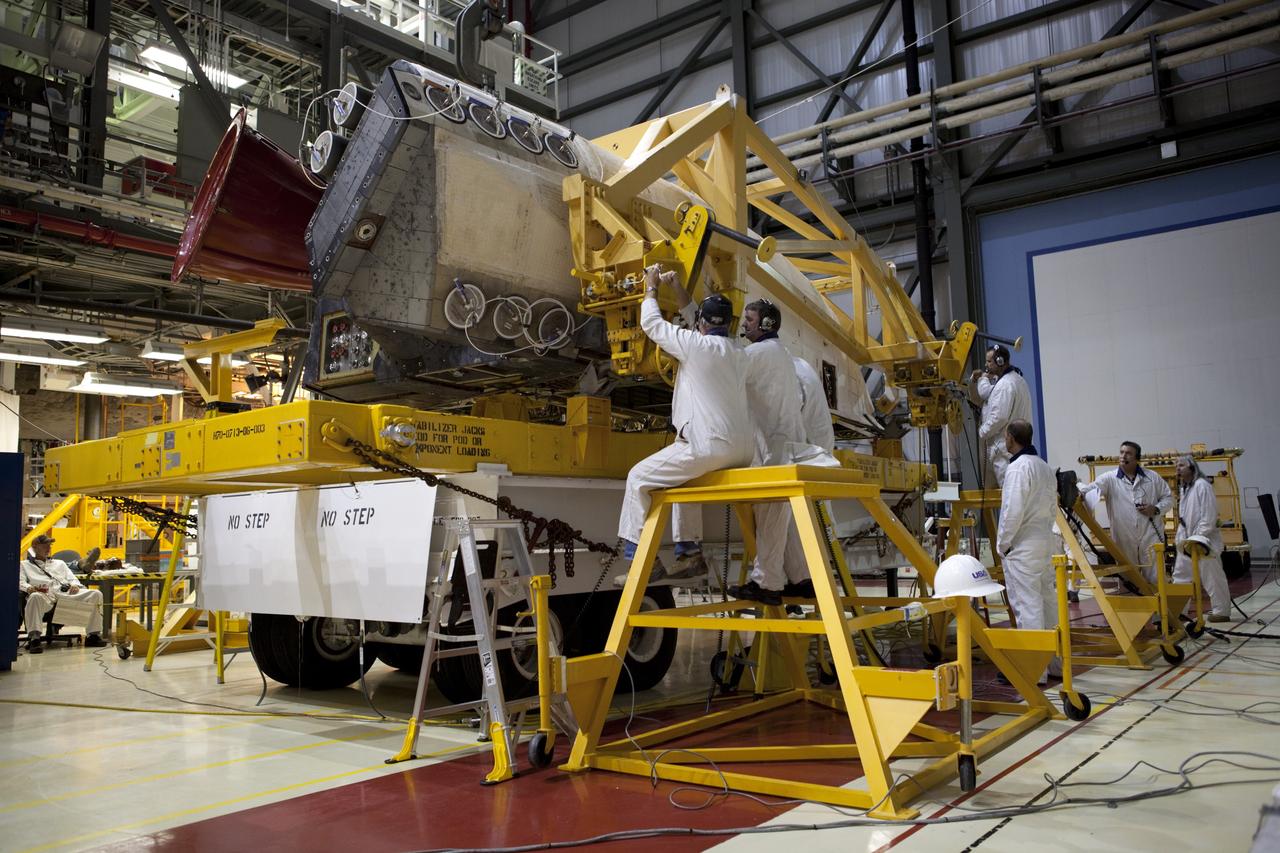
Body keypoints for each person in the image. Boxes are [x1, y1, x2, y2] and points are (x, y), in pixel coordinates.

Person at [614, 265, 754, 584]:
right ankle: (690, 553)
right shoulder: (737, 352)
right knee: (683, 480)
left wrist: (650, 287)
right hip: (742, 450)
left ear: (703, 324)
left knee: (638, 478)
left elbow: (651, 323)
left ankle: (641, 562)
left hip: (709, 447)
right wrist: (677, 287)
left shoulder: (695, 345)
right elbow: (698, 322)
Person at [726, 299, 806, 606]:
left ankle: (767, 584)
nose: (744, 323)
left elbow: (723, 373)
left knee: (770, 517)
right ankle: (801, 577)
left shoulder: (756, 354)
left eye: (749, 319)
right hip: (787, 444)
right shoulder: (782, 354)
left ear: (766, 324)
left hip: (774, 450)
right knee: (781, 518)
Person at [996, 421, 1061, 682]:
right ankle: (1055, 663)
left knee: (1028, 605)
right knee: (1048, 602)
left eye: (1005, 437)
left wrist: (1003, 544)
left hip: (1023, 544)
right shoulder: (1044, 467)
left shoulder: (1017, 468)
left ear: (1011, 438)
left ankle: (1035, 670)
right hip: (1045, 539)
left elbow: (1012, 511)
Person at [1079, 440, 1172, 585]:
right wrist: (1077, 492)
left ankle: (1160, 607)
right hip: (1124, 537)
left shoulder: (1152, 477)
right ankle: (1134, 607)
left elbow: (1169, 497)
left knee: (1156, 578)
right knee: (1129, 580)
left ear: (1137, 458)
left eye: (1128, 453)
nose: (1123, 456)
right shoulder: (1109, 478)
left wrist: (1156, 509)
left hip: (1150, 535)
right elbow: (1090, 490)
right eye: (1121, 452)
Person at [20, 533, 107, 653]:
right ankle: (34, 639)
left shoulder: (59, 563)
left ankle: (93, 635)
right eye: (45, 545)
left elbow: (72, 579)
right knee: (34, 597)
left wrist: (75, 586)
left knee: (96, 594)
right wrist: (29, 588)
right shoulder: (24, 565)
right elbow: (20, 582)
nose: (49, 548)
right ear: (35, 547)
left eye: (50, 545)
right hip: (44, 595)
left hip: (64, 594)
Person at [1173, 455, 1232, 622]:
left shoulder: (1202, 485)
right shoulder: (1185, 488)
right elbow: (1185, 517)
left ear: (1192, 467)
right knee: (1181, 576)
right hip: (1187, 541)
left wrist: (1199, 537)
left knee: (1212, 576)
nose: (1178, 468)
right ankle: (1180, 611)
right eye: (1176, 465)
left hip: (1203, 541)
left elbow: (1208, 515)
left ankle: (1221, 611)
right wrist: (1183, 539)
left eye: (1181, 465)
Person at [972, 344, 1032, 487]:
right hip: (1017, 450)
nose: (986, 365)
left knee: (1010, 495)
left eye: (989, 361)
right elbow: (987, 393)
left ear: (1000, 361)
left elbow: (999, 417)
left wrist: (982, 431)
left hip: (1004, 452)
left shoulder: (1004, 385)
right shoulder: (1018, 380)